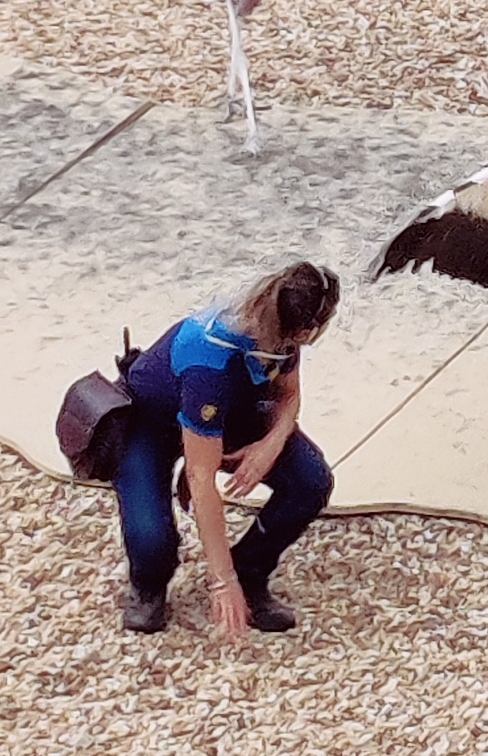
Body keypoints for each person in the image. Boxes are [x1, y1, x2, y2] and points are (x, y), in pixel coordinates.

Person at [110, 260, 340, 637]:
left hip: (230, 412)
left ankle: (250, 570)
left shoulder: (281, 334)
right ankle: (148, 584)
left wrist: (268, 446)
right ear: (308, 330)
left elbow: (289, 397)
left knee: (310, 480)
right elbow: (202, 480)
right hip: (153, 420)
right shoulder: (211, 359)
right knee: (153, 543)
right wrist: (221, 582)